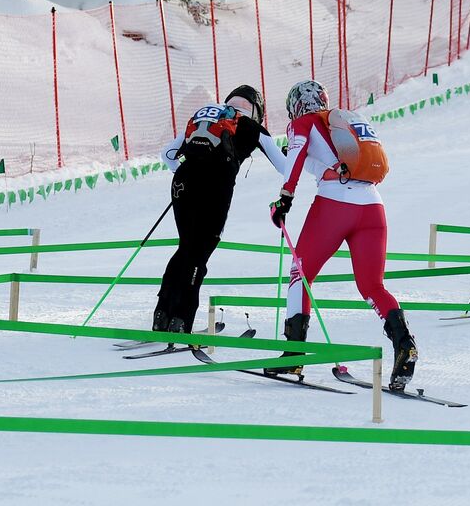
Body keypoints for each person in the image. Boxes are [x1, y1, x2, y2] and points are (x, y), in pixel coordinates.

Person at [267, 79, 417, 390]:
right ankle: (405, 344)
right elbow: (325, 164)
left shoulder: (304, 122)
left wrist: (285, 198)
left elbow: (295, 158)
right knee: (372, 285)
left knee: (301, 275)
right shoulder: (346, 121)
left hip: (335, 206)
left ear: (295, 106)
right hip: (372, 206)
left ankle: (293, 355)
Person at [154, 85, 286, 333]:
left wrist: (189, 172)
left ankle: (162, 314)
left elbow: (168, 155)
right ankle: (182, 320)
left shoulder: (209, 115)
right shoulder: (252, 126)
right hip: (216, 186)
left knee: (185, 246)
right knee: (200, 252)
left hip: (182, 182)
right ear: (256, 110)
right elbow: (285, 168)